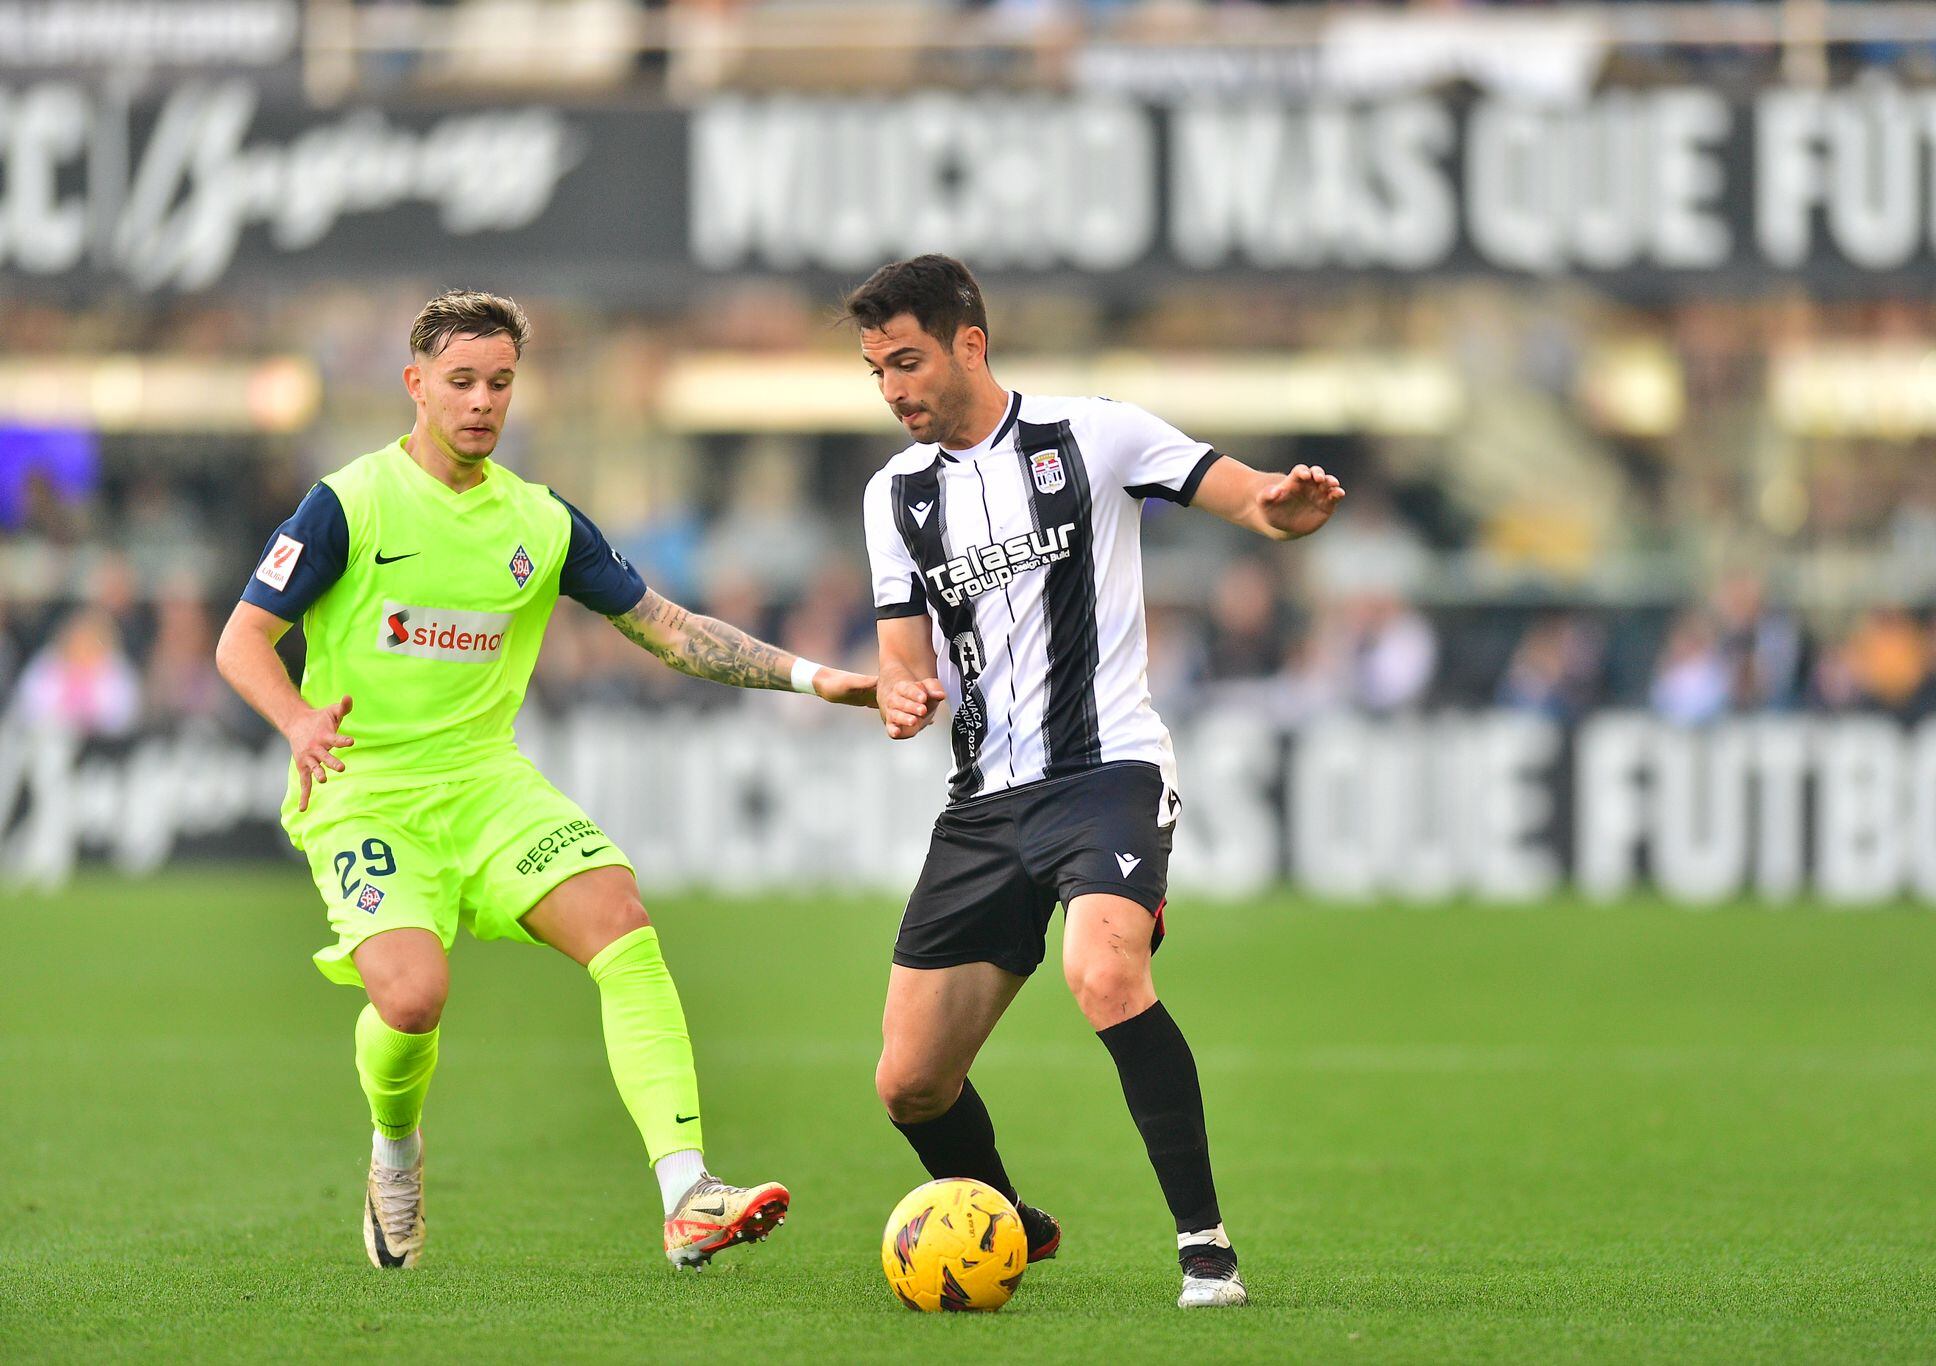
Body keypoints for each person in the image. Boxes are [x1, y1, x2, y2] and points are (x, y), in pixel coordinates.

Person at [214, 290, 876, 1272]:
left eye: (499, 382)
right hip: (365, 788)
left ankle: (686, 1190)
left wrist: (811, 675)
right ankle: (394, 1145)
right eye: (461, 381)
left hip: (485, 783)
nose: (482, 400)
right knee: (411, 998)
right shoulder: (349, 502)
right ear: (416, 385)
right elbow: (242, 641)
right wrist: (299, 718)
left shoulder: (539, 521)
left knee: (622, 920)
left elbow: (669, 628)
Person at [851, 255, 1343, 1309]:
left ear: (968, 344)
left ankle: (1204, 1248)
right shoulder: (893, 495)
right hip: (983, 802)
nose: (892, 390)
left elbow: (1240, 494)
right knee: (908, 1082)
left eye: (906, 361)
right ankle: (1002, 1222)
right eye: (875, 370)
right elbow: (904, 651)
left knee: (1105, 972)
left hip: (1104, 771)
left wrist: (1278, 505)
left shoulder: (1095, 433)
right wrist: (900, 691)